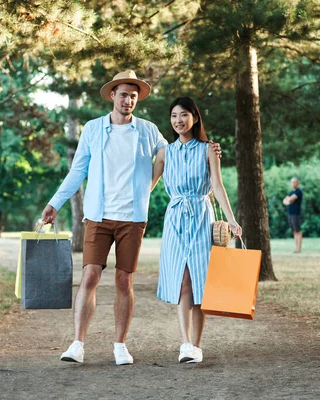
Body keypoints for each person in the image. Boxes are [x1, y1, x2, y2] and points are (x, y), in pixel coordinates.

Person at [40, 71, 221, 365]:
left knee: (125, 281)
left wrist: (210, 151)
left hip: (133, 218)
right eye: (124, 94)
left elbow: (177, 151)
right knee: (90, 276)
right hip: (98, 215)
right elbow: (77, 171)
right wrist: (54, 203)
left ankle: (120, 345)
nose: (129, 100)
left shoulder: (149, 131)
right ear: (112, 95)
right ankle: (77, 344)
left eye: (133, 96)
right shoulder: (93, 129)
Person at [151, 97, 241, 364]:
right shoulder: (165, 152)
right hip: (176, 218)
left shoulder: (208, 149)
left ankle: (197, 345)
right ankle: (185, 343)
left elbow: (218, 185)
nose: (178, 120)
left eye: (184, 115)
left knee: (200, 282)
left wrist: (232, 219)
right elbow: (147, 186)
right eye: (174, 116)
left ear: (195, 118)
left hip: (202, 217)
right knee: (182, 281)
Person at [282, 177, 303, 253]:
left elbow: (289, 200)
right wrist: (288, 199)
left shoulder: (299, 191)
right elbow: (284, 201)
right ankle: (296, 248)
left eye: (295, 182)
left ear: (298, 183)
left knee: (298, 230)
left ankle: (299, 248)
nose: (293, 183)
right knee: (294, 231)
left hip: (296, 214)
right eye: (292, 182)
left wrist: (289, 199)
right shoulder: (291, 192)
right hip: (290, 214)